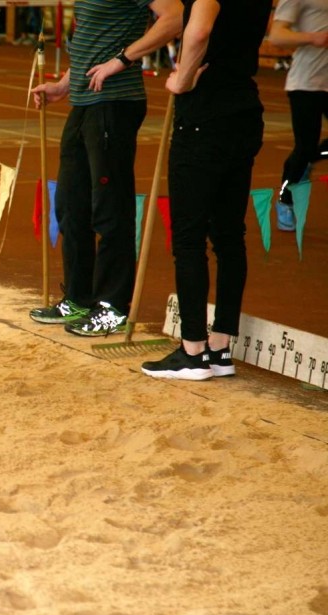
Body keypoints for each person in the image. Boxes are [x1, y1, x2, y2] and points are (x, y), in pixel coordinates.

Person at [28, 0, 183, 336]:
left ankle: (112, 306)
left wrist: (122, 59)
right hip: (84, 104)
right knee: (71, 206)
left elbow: (175, 17)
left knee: (110, 210)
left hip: (114, 103)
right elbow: (91, 40)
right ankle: (79, 297)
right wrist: (63, 85)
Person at [142, 0, 271, 380]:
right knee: (229, 237)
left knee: (189, 238)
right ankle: (219, 348)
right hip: (244, 112)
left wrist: (181, 79)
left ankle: (193, 351)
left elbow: (199, 29)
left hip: (204, 117)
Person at [268, 0, 327, 232]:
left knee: (309, 153)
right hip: (306, 83)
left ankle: (311, 158)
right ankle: (285, 199)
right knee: (305, 147)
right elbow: (276, 36)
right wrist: (312, 38)